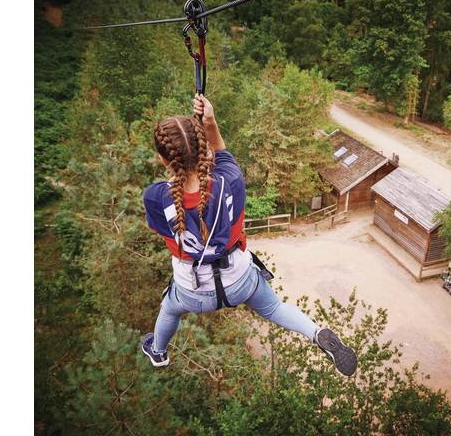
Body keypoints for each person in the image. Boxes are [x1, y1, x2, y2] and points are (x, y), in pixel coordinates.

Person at [140, 93, 357, 376]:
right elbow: (221, 152)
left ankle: (158, 351)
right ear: (201, 148)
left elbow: (162, 229)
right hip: (239, 280)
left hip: (192, 291)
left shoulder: (156, 197)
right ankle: (316, 333)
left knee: (169, 309)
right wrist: (210, 122)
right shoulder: (230, 180)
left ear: (162, 159)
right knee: (274, 308)